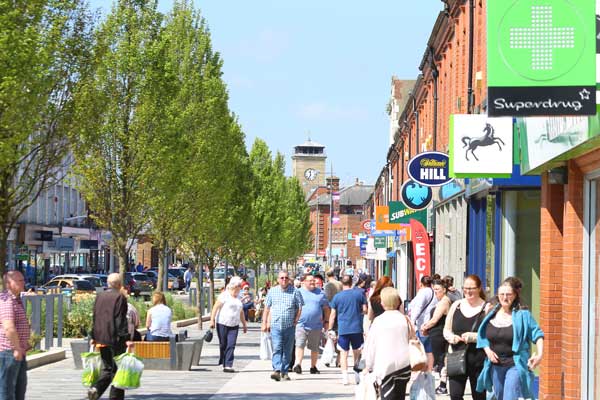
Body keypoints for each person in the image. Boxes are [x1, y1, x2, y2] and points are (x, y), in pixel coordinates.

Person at [477, 277, 544, 400]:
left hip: (515, 363)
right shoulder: (491, 313)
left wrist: (540, 354)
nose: (505, 297)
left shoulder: (523, 315)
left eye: (508, 294)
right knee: (500, 395)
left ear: (515, 295)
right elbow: (482, 336)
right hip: (495, 365)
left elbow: (537, 333)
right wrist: (487, 350)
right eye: (501, 294)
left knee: (510, 395)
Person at [443, 274, 491, 400]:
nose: (468, 291)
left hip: (478, 359)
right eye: (465, 288)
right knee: (455, 395)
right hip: (456, 357)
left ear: (479, 289)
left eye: (472, 288)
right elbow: (446, 330)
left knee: (479, 396)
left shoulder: (487, 308)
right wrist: (451, 337)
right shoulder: (456, 305)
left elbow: (490, 334)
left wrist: (473, 337)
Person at [87, 273, 133, 400]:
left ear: (108, 283)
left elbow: (95, 316)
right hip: (115, 339)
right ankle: (115, 397)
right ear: (119, 284)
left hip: (101, 337)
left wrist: (93, 335)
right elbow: (120, 319)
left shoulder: (100, 296)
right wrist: (126, 338)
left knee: (107, 368)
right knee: (118, 369)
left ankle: (96, 389)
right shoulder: (120, 297)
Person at [363, 287, 411, 400]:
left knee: (387, 395)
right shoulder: (404, 319)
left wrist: (368, 365)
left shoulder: (379, 320)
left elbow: (371, 345)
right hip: (404, 364)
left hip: (385, 365)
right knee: (400, 396)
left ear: (383, 302)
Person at [262, 271, 304, 381]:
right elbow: (267, 308)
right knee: (277, 347)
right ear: (278, 280)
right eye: (281, 278)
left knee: (288, 350)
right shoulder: (272, 291)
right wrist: (265, 323)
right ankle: (276, 369)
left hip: (289, 326)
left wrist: (296, 320)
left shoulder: (295, 291)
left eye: (286, 278)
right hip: (275, 325)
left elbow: (299, 307)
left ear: (289, 279)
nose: (284, 280)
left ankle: (285, 371)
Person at [328, 275, 368, 385]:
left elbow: (332, 314)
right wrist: (359, 312)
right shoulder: (359, 294)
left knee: (343, 353)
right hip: (356, 328)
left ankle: (345, 377)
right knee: (357, 352)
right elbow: (365, 310)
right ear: (352, 282)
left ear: (341, 283)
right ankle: (357, 375)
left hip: (343, 328)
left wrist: (330, 328)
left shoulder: (337, 297)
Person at [292, 274, 330, 375]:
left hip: (316, 325)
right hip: (301, 324)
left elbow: (326, 309)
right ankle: (298, 365)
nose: (313, 282)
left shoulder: (321, 293)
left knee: (315, 347)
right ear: (303, 282)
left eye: (313, 281)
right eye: (310, 281)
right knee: (300, 344)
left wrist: (326, 321)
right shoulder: (298, 292)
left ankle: (313, 367)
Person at [0, 271, 30, 400]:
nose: (23, 283)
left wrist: (24, 344)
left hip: (18, 350)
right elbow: (9, 327)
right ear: (8, 284)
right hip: (9, 351)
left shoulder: (16, 299)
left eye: (23, 280)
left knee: (19, 389)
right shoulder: (7, 301)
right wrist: (17, 348)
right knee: (7, 390)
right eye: (19, 281)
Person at [420, 279, 452, 394]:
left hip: (440, 335)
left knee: (441, 359)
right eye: (434, 290)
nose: (436, 292)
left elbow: (434, 320)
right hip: (436, 334)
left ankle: (443, 385)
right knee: (440, 360)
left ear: (444, 290)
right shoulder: (441, 301)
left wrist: (425, 327)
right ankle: (442, 384)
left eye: (438, 290)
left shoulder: (444, 301)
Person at [210, 276, 248, 372]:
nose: (240, 287)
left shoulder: (239, 297)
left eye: (240, 286)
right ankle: (223, 360)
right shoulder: (224, 295)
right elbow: (215, 307)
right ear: (233, 286)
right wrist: (212, 320)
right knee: (223, 344)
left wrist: (244, 324)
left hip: (234, 325)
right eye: (238, 285)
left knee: (231, 344)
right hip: (222, 323)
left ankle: (228, 364)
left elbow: (241, 312)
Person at [409, 275, 437, 371]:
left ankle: (423, 369)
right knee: (429, 348)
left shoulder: (423, 292)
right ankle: (429, 369)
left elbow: (418, 307)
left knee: (421, 347)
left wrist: (412, 320)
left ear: (421, 283)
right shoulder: (434, 292)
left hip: (422, 323)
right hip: (431, 322)